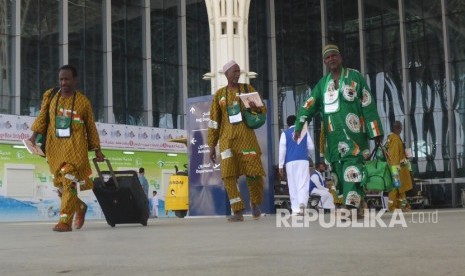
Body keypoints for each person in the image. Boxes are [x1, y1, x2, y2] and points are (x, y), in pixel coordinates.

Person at [293, 44, 384, 213]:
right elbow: (309, 105)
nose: (331, 59)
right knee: (338, 173)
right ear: (325, 62)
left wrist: (376, 132)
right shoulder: (322, 84)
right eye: (327, 58)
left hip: (354, 138)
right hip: (332, 141)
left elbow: (368, 104)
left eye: (334, 55)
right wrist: (299, 125)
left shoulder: (355, 77)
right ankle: (358, 205)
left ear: (340, 58)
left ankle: (349, 207)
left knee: (352, 168)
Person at [28, 64, 105, 232]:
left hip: (75, 149)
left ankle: (64, 221)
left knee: (69, 180)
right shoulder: (51, 96)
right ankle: (80, 207)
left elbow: (91, 127)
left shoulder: (83, 102)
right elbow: (42, 117)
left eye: (67, 79)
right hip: (55, 149)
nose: (64, 82)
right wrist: (33, 137)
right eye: (61, 79)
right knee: (62, 187)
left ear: (75, 80)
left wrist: (97, 150)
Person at [208, 60, 266, 222]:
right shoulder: (219, 95)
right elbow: (214, 121)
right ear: (226, 74)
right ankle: (237, 211)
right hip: (227, 140)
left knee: (254, 172)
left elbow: (262, 110)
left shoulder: (248, 89)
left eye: (238, 71)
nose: (237, 74)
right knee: (228, 175)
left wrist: (256, 108)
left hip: (247, 139)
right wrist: (211, 145)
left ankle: (255, 204)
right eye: (234, 71)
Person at [278, 115, 315, 215]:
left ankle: (295, 209)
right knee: (303, 182)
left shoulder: (285, 133)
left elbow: (282, 150)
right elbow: (311, 147)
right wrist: (309, 155)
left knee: (292, 184)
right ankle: (302, 203)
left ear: (288, 124)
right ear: (297, 122)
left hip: (290, 162)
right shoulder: (304, 131)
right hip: (303, 160)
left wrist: (280, 165)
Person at [385, 121, 413, 212]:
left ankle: (403, 206)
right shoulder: (395, 139)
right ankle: (393, 207)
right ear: (398, 128)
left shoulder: (391, 138)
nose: (401, 129)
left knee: (401, 187)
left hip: (396, 167)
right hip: (396, 168)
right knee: (395, 187)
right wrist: (396, 168)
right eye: (401, 128)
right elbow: (394, 155)